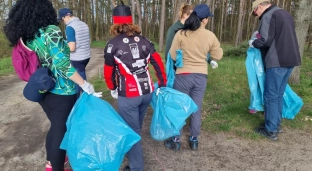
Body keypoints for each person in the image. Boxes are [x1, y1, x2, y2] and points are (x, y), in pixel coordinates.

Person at [3, 0, 101, 171]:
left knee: (56, 126)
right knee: (61, 129)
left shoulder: (28, 34)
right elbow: (63, 65)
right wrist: (84, 84)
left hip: (43, 87)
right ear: (45, 10)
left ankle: (51, 164)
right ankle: (56, 167)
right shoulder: (51, 31)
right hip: (61, 90)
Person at [103, 3, 167, 171]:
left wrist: (112, 88)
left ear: (114, 23)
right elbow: (158, 63)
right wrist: (161, 83)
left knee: (132, 130)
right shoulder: (145, 40)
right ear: (131, 21)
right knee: (135, 127)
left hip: (129, 95)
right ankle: (132, 152)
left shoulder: (112, 44)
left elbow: (108, 72)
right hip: (147, 92)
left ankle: (136, 167)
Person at [164, 4, 223, 151]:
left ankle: (176, 140)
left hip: (183, 76)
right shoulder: (210, 36)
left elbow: (171, 55)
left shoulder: (181, 34)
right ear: (205, 20)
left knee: (180, 108)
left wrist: (182, 58)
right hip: (201, 76)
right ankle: (194, 140)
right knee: (196, 108)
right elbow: (218, 55)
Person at [249, 0, 301, 140]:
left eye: (255, 12)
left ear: (259, 7)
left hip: (277, 60)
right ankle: (275, 124)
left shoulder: (268, 16)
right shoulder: (284, 13)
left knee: (271, 94)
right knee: (278, 94)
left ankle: (271, 130)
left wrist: (253, 43)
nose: (256, 15)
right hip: (291, 59)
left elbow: (265, 40)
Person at [165, 3, 218, 69]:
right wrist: (172, 69)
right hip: (178, 68)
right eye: (192, 15)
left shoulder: (193, 29)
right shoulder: (173, 29)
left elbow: (198, 49)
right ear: (185, 15)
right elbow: (169, 52)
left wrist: (210, 60)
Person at [58, 8, 91, 98]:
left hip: (77, 58)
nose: (63, 21)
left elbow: (72, 48)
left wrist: (63, 45)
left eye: (62, 19)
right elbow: (89, 41)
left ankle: (80, 103)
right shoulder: (84, 24)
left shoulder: (70, 27)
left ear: (66, 16)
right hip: (86, 56)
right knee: (81, 79)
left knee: (79, 82)